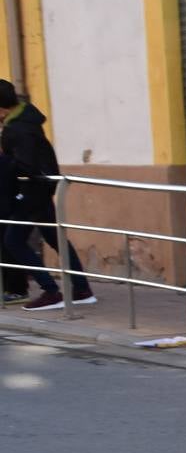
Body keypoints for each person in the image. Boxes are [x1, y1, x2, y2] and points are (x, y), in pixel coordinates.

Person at [0, 80, 93, 310]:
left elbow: (25, 164)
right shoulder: (26, 120)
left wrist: (4, 161)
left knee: (13, 240)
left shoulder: (16, 130)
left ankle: (51, 292)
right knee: (56, 238)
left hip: (32, 192)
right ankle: (82, 290)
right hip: (42, 188)